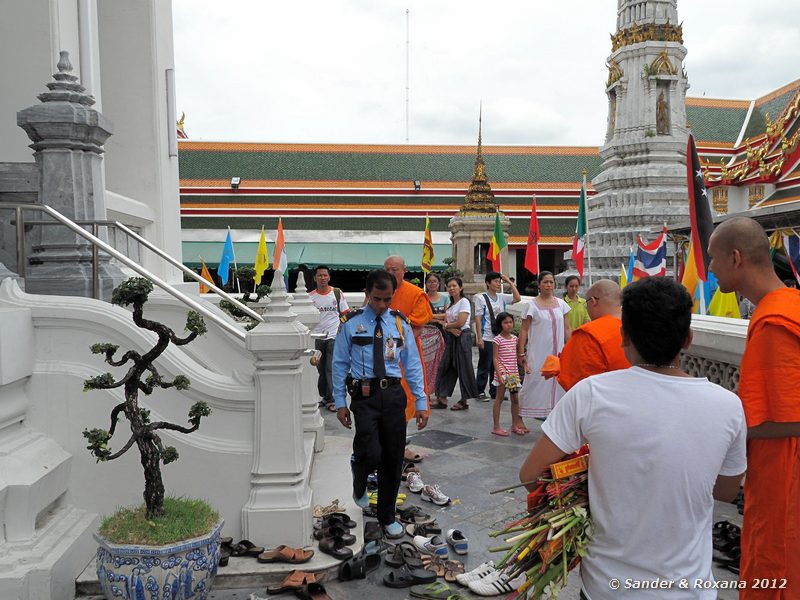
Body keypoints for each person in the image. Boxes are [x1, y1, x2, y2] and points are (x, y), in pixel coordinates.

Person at [519, 277, 747, 600]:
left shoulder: (591, 395)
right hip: (691, 589)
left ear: (623, 336)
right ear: (688, 339)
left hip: (607, 586)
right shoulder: (729, 406)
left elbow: (530, 475)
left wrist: (585, 492)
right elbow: (726, 490)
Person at [708, 216, 800, 596]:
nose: (710, 270)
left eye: (713, 260)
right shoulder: (786, 305)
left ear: (735, 258)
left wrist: (716, 429)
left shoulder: (775, 321)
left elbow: (784, 418)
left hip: (786, 478)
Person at [332, 269, 428, 539]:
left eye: (388, 299)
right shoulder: (350, 323)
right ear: (366, 294)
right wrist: (340, 401)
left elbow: (411, 364)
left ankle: (387, 516)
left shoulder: (399, 324)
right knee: (370, 451)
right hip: (364, 396)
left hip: (394, 395)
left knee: (393, 458)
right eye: (377, 299)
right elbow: (339, 364)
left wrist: (421, 401)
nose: (383, 305)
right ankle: (359, 477)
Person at [556, 279, 630, 392]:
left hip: (604, 402)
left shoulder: (589, 334)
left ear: (593, 301)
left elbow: (578, 386)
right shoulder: (638, 327)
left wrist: (561, 365)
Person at [384, 256, 433, 423]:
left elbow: (416, 327)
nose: (390, 273)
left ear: (404, 271)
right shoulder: (379, 291)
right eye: (387, 270)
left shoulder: (415, 294)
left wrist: (393, 347)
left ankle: (400, 441)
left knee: (405, 390)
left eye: (394, 270)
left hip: (404, 350)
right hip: (378, 352)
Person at [517, 271, 571, 421]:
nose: (548, 285)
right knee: (534, 382)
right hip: (539, 352)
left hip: (558, 353)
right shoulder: (531, 306)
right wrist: (521, 353)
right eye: (545, 282)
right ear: (539, 284)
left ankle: (553, 412)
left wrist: (573, 347)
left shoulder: (562, 304)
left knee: (558, 382)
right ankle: (520, 416)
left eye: (551, 282)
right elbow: (524, 329)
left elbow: (567, 328)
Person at [473, 271, 521, 402]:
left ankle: (494, 390)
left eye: (499, 281)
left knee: (497, 365)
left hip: (500, 337)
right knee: (485, 364)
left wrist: (510, 282)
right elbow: (478, 319)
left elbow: (517, 298)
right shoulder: (481, 298)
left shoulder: (501, 297)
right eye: (495, 281)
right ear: (488, 283)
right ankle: (480, 390)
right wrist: (479, 337)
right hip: (487, 336)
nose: (497, 284)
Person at [432, 277, 479, 410]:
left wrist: (447, 326)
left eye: (454, 286)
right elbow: (446, 318)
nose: (451, 288)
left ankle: (464, 400)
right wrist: (438, 319)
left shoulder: (464, 302)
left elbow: (461, 322)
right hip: (452, 337)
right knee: (446, 366)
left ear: (461, 287)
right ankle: (442, 397)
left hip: (462, 337)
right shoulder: (452, 304)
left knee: (463, 368)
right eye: (449, 286)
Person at [309, 265, 349, 411]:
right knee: (320, 369)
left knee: (330, 368)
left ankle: (332, 400)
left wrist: (343, 333)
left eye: (325, 275)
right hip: (318, 338)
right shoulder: (310, 297)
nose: (322, 278)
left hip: (334, 336)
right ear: (315, 278)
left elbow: (345, 313)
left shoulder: (337, 293)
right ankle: (325, 397)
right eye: (319, 275)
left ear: (329, 277)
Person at [491, 312, 525, 436]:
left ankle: (515, 425)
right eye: (505, 323)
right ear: (500, 324)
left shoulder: (515, 339)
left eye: (510, 322)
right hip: (503, 372)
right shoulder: (497, 340)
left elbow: (517, 356)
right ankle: (496, 426)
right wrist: (499, 374)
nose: (509, 325)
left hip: (513, 374)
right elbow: (495, 358)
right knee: (499, 398)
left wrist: (524, 365)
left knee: (515, 399)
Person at [421, 272, 447, 398]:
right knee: (425, 366)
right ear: (426, 284)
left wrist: (431, 316)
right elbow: (422, 317)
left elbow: (448, 315)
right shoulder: (422, 297)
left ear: (439, 283)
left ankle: (439, 394)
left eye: (435, 281)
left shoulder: (445, 298)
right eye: (430, 281)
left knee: (439, 365)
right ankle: (425, 393)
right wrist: (437, 319)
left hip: (441, 336)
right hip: (424, 337)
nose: (432, 284)